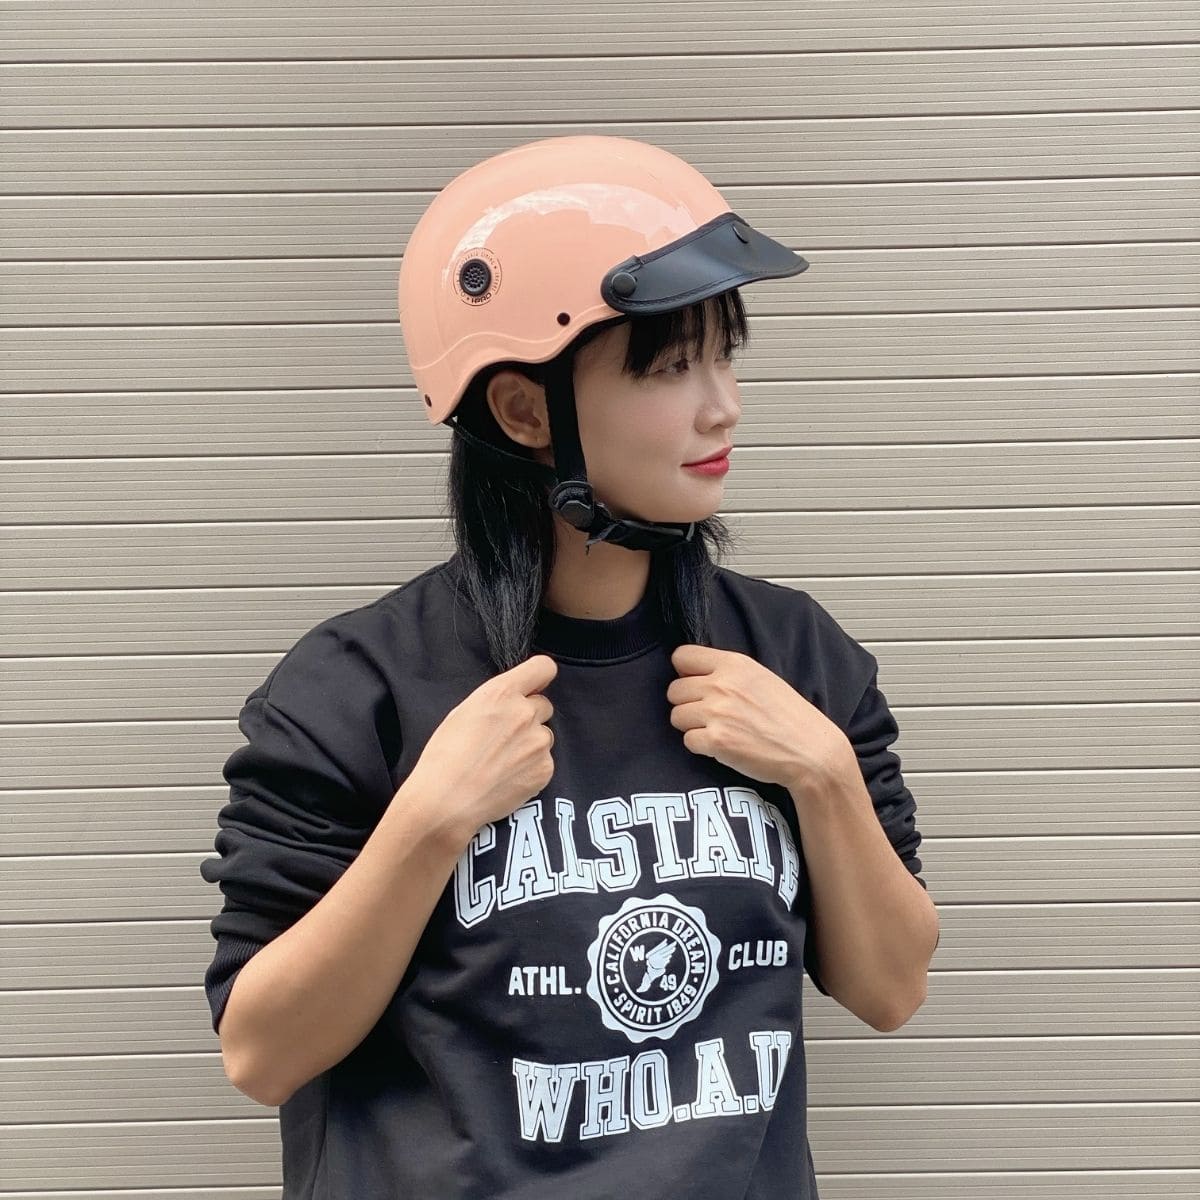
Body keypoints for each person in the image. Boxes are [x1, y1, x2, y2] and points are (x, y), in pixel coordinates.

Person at [199, 134, 936, 1199]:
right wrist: (428, 824)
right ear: (524, 409)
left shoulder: (794, 657)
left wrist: (821, 776)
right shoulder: (356, 689)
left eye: (724, 356)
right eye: (670, 367)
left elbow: (892, 988)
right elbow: (262, 1052)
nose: (722, 404)